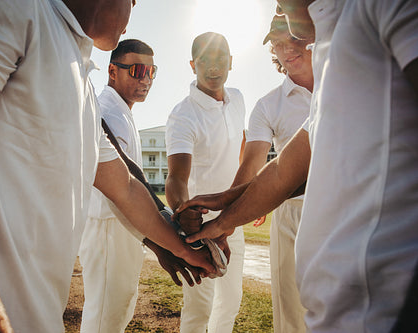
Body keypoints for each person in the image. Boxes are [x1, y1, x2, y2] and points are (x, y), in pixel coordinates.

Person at [0, 1, 215, 332]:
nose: (132, 11)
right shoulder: (17, 7)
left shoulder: (84, 82)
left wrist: (185, 248)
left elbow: (126, 187)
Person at [177, 0, 418, 331]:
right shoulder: (328, 49)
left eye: (279, 4)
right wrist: (224, 217)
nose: (278, 16)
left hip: (385, 299)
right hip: (341, 305)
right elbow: (282, 172)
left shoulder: (376, 8)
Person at [232, 15, 313, 332]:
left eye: (293, 39)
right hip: (289, 214)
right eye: (278, 44)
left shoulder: (343, 85)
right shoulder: (267, 105)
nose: (286, 49)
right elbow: (250, 165)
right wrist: (234, 212)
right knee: (291, 313)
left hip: (344, 207)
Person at [165, 32, 245, 333]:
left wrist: (250, 197)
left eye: (220, 59)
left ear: (231, 62)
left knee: (231, 302)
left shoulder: (237, 98)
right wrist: (183, 213)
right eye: (205, 61)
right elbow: (176, 177)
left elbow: (242, 146)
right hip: (201, 229)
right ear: (192, 64)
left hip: (234, 220)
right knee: (199, 308)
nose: (214, 68)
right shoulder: (182, 115)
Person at [78, 38, 155, 333]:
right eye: (137, 70)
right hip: (109, 225)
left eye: (151, 71)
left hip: (122, 224)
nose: (146, 79)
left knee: (118, 310)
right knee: (104, 318)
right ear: (113, 71)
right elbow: (118, 188)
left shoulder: (123, 110)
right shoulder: (108, 111)